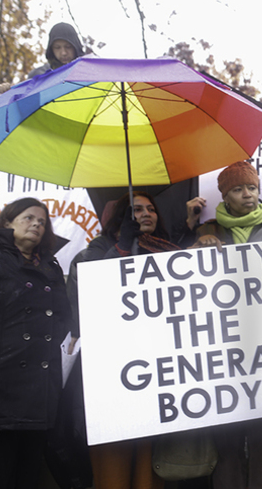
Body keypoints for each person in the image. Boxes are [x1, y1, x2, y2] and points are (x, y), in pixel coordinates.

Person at [176, 160, 262, 489]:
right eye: (238, 189)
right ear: (225, 196)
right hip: (222, 351)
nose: (248, 195)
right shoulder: (207, 232)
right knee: (226, 442)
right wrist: (196, 249)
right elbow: (181, 285)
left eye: (252, 187)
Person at [84, 191, 179, 489]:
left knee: (150, 459)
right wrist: (124, 247)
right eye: (137, 210)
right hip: (117, 373)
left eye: (151, 209)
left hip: (159, 369)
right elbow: (90, 295)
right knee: (116, 458)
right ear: (122, 217)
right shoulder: (98, 249)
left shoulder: (167, 249)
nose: (146, 214)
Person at [0, 197, 76, 488]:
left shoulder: (50, 265)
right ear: (7, 222)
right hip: (0, 384)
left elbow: (63, 317)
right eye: (28, 218)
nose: (37, 224)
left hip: (41, 387)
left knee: (28, 474)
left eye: (42, 221)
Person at [0, 22, 85, 94]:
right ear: (51, 49)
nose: (64, 53)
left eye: (68, 47)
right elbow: (23, 98)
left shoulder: (88, 72)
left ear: (75, 46)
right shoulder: (39, 75)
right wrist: (7, 90)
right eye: (57, 47)